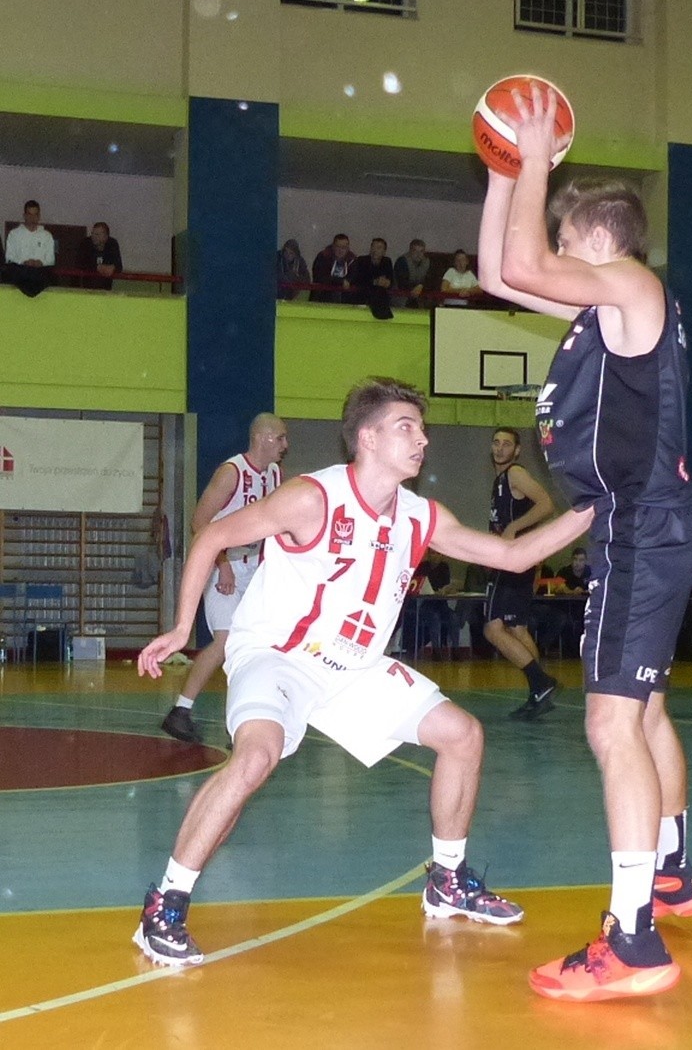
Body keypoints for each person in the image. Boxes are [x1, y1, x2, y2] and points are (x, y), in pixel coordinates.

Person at [135, 377, 592, 967]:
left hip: (353, 666)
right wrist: (179, 627)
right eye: (408, 427)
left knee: (463, 735)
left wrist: (593, 509)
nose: (423, 439)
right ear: (368, 438)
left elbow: (513, 555)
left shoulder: (421, 516)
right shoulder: (312, 497)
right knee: (255, 756)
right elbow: (213, 536)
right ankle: (165, 906)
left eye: (421, 428)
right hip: (278, 654)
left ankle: (446, 881)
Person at [478, 86, 692, 1002]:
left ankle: (634, 942)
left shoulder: (631, 286)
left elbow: (531, 261)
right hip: (651, 527)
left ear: (598, 241)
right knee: (644, 711)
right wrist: (505, 170)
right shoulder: (605, 308)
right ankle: (672, 872)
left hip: (641, 532)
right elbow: (506, 271)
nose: (554, 253)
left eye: (567, 236)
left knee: (610, 722)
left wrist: (538, 154)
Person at [160, 414, 288, 744]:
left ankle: (253, 717)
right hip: (222, 565)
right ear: (263, 438)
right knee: (226, 642)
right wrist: (222, 563)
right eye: (281, 439)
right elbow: (200, 522)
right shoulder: (231, 473)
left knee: (259, 644)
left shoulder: (275, 475)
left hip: (255, 568)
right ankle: (180, 710)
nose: (285, 446)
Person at [484, 427, 557, 720]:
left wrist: (514, 528)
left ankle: (540, 683)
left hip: (513, 559)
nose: (500, 448)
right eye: (496, 442)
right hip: (518, 560)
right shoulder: (500, 480)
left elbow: (547, 504)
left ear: (516, 451)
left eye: (506, 444)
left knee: (492, 628)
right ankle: (539, 691)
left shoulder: (515, 474)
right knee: (516, 629)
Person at [4, 200, 55, 297]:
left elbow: (51, 260)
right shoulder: (14, 234)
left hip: (40, 273)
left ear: (39, 216)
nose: (32, 218)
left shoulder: (46, 236)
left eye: (35, 215)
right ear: (24, 216)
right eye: (29, 214)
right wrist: (24, 262)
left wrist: (40, 262)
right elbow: (9, 258)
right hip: (22, 271)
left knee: (47, 274)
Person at [352, 237, 394, 320]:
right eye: (373, 247)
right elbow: (357, 279)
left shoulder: (387, 261)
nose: (375, 250)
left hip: (381, 296)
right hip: (363, 297)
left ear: (384, 251)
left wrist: (387, 282)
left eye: (378, 248)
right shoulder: (362, 260)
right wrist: (374, 282)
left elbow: (391, 279)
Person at [76, 222, 124, 290]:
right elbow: (79, 263)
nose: (94, 236)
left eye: (97, 234)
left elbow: (119, 266)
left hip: (106, 289)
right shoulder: (85, 243)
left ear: (106, 236)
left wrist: (113, 268)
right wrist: (97, 267)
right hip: (87, 289)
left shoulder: (112, 244)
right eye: (92, 233)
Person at [311, 233, 356, 303]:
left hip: (345, 302)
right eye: (338, 247)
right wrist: (341, 281)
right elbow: (319, 277)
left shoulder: (352, 260)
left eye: (343, 248)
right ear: (333, 246)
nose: (340, 250)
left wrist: (349, 280)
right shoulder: (323, 256)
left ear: (348, 248)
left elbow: (355, 277)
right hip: (321, 298)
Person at [393, 238, 430, 308]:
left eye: (421, 251)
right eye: (415, 251)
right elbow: (402, 283)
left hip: (418, 298)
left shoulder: (427, 262)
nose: (418, 254)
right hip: (400, 298)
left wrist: (421, 286)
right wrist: (417, 287)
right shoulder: (402, 261)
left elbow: (430, 280)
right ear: (410, 251)